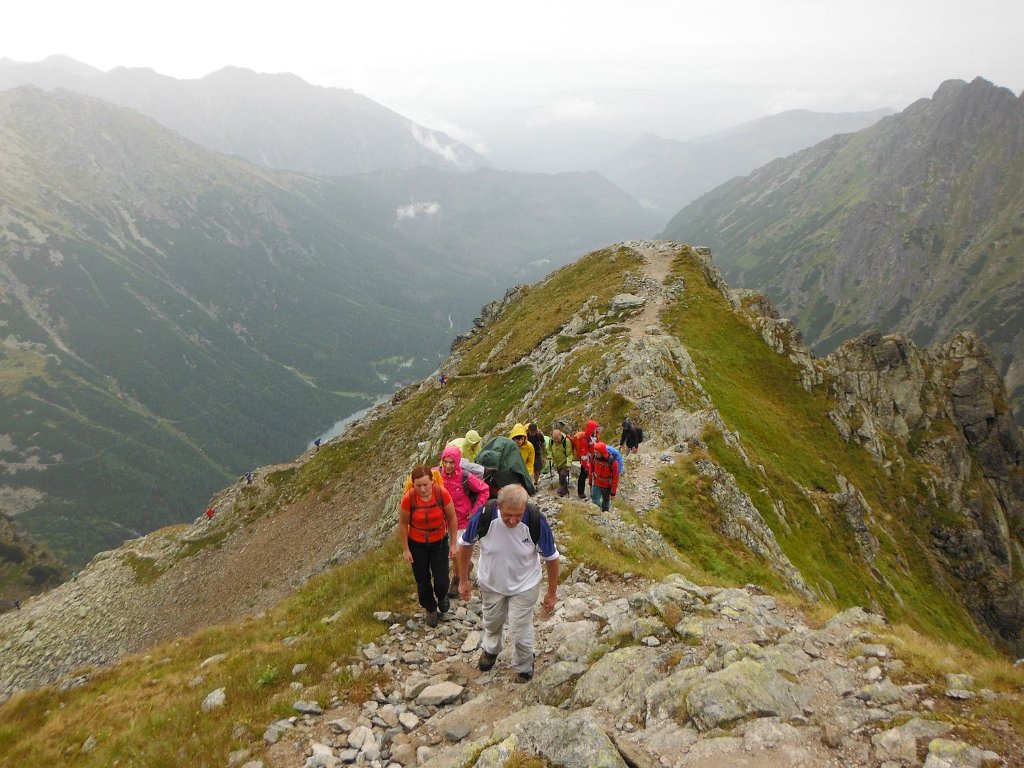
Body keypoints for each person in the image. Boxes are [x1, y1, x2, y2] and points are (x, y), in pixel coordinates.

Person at [457, 484, 559, 682]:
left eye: (518, 515)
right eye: (508, 515)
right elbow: (465, 544)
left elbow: (552, 557)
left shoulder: (535, 521)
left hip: (525, 585)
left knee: (520, 629)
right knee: (492, 621)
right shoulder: (485, 516)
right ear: (499, 506)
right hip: (491, 583)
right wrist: (463, 580)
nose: (513, 520)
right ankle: (492, 648)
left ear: (524, 508)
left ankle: (524, 665)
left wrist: (552, 592)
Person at [398, 465, 458, 627]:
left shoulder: (441, 494)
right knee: (422, 580)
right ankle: (430, 608)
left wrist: (453, 544)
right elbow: (403, 524)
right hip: (417, 544)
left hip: (439, 542)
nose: (422, 489)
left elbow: (452, 518)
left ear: (432, 481)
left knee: (442, 579)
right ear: (413, 484)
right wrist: (406, 549)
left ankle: (442, 596)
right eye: (418, 485)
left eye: (425, 484)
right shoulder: (409, 498)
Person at [437, 445, 489, 597]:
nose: (448, 466)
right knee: (454, 554)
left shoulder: (465, 476)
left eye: (451, 462)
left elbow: (484, 490)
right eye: (445, 462)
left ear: (457, 461)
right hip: (444, 521)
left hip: (463, 521)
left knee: (456, 552)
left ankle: (457, 580)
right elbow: (421, 480)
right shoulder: (436, 474)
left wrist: (475, 511)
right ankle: (467, 565)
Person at [571, 420, 601, 500]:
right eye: (595, 428)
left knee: (592, 476)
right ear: (591, 429)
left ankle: (593, 493)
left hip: (593, 460)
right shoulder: (584, 439)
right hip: (587, 461)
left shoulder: (594, 437)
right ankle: (581, 493)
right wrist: (587, 466)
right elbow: (583, 455)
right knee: (583, 476)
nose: (597, 430)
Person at [590, 441, 620, 512]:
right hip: (597, 483)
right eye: (595, 452)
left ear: (602, 452)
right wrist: (590, 483)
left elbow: (615, 477)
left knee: (606, 503)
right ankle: (599, 511)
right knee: (595, 500)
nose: (595, 454)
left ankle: (605, 513)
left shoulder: (612, 461)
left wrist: (613, 493)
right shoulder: (594, 457)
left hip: (607, 486)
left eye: (597, 452)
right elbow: (591, 470)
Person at [548, 428, 575, 496]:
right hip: (557, 463)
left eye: (557, 438)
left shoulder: (566, 442)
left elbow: (569, 454)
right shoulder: (551, 441)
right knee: (561, 476)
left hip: (565, 463)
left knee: (563, 475)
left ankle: (560, 492)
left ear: (560, 435)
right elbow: (549, 450)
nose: (556, 440)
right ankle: (565, 490)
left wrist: (568, 464)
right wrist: (550, 456)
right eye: (554, 439)